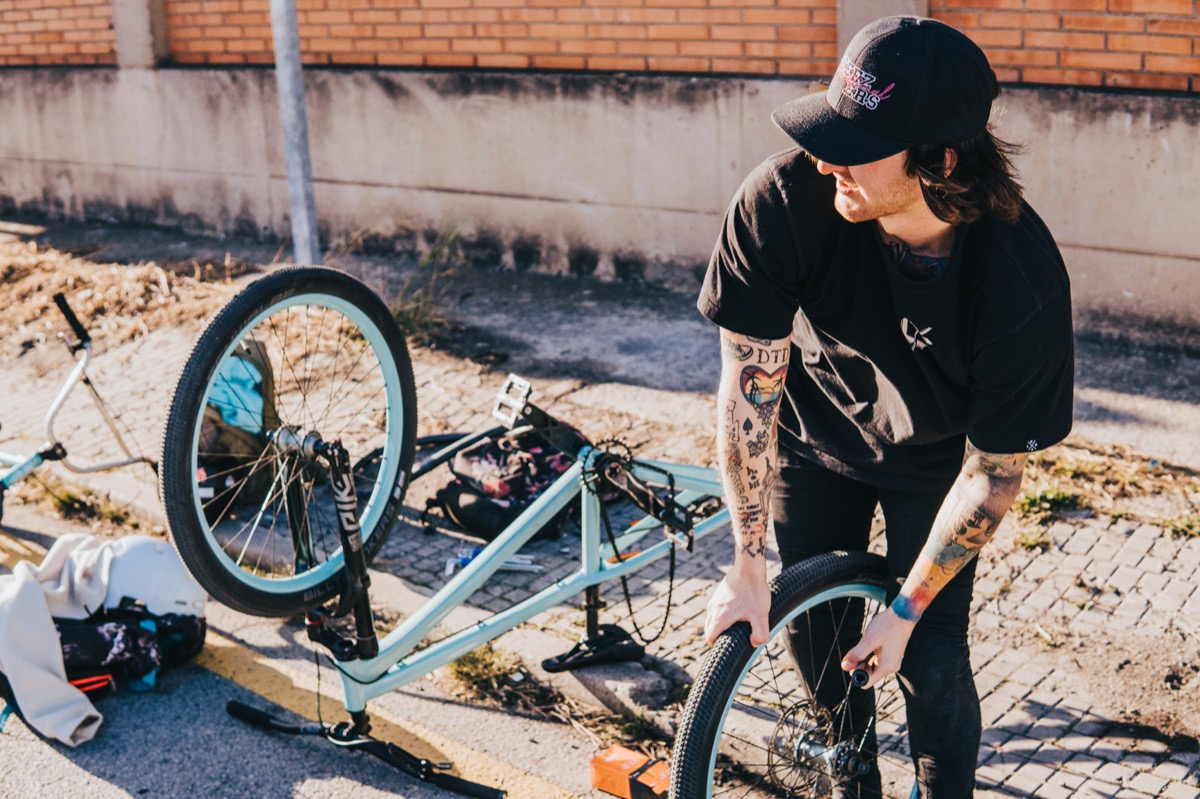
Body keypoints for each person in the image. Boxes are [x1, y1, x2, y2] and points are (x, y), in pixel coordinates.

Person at [697, 15, 1074, 798]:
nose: (825, 158)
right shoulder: (781, 202)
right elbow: (749, 381)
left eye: (856, 144)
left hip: (938, 463)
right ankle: (853, 779)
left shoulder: (1019, 281)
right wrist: (747, 564)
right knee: (818, 647)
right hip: (813, 435)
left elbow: (993, 472)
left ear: (939, 159)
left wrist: (903, 610)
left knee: (930, 662)